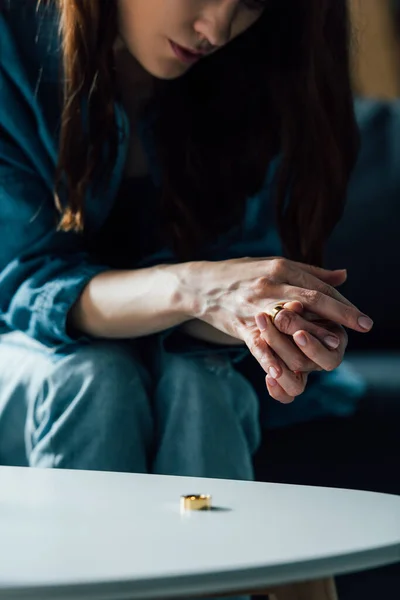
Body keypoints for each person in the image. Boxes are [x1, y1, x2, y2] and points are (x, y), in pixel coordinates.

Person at [0, 0, 373, 480]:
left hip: (177, 351)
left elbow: (233, 292)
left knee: (201, 381)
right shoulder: (12, 38)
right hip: (21, 348)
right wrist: (194, 288)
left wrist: (278, 323)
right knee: (93, 377)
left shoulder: (264, 67)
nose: (217, 29)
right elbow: (25, 286)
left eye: (253, 2)